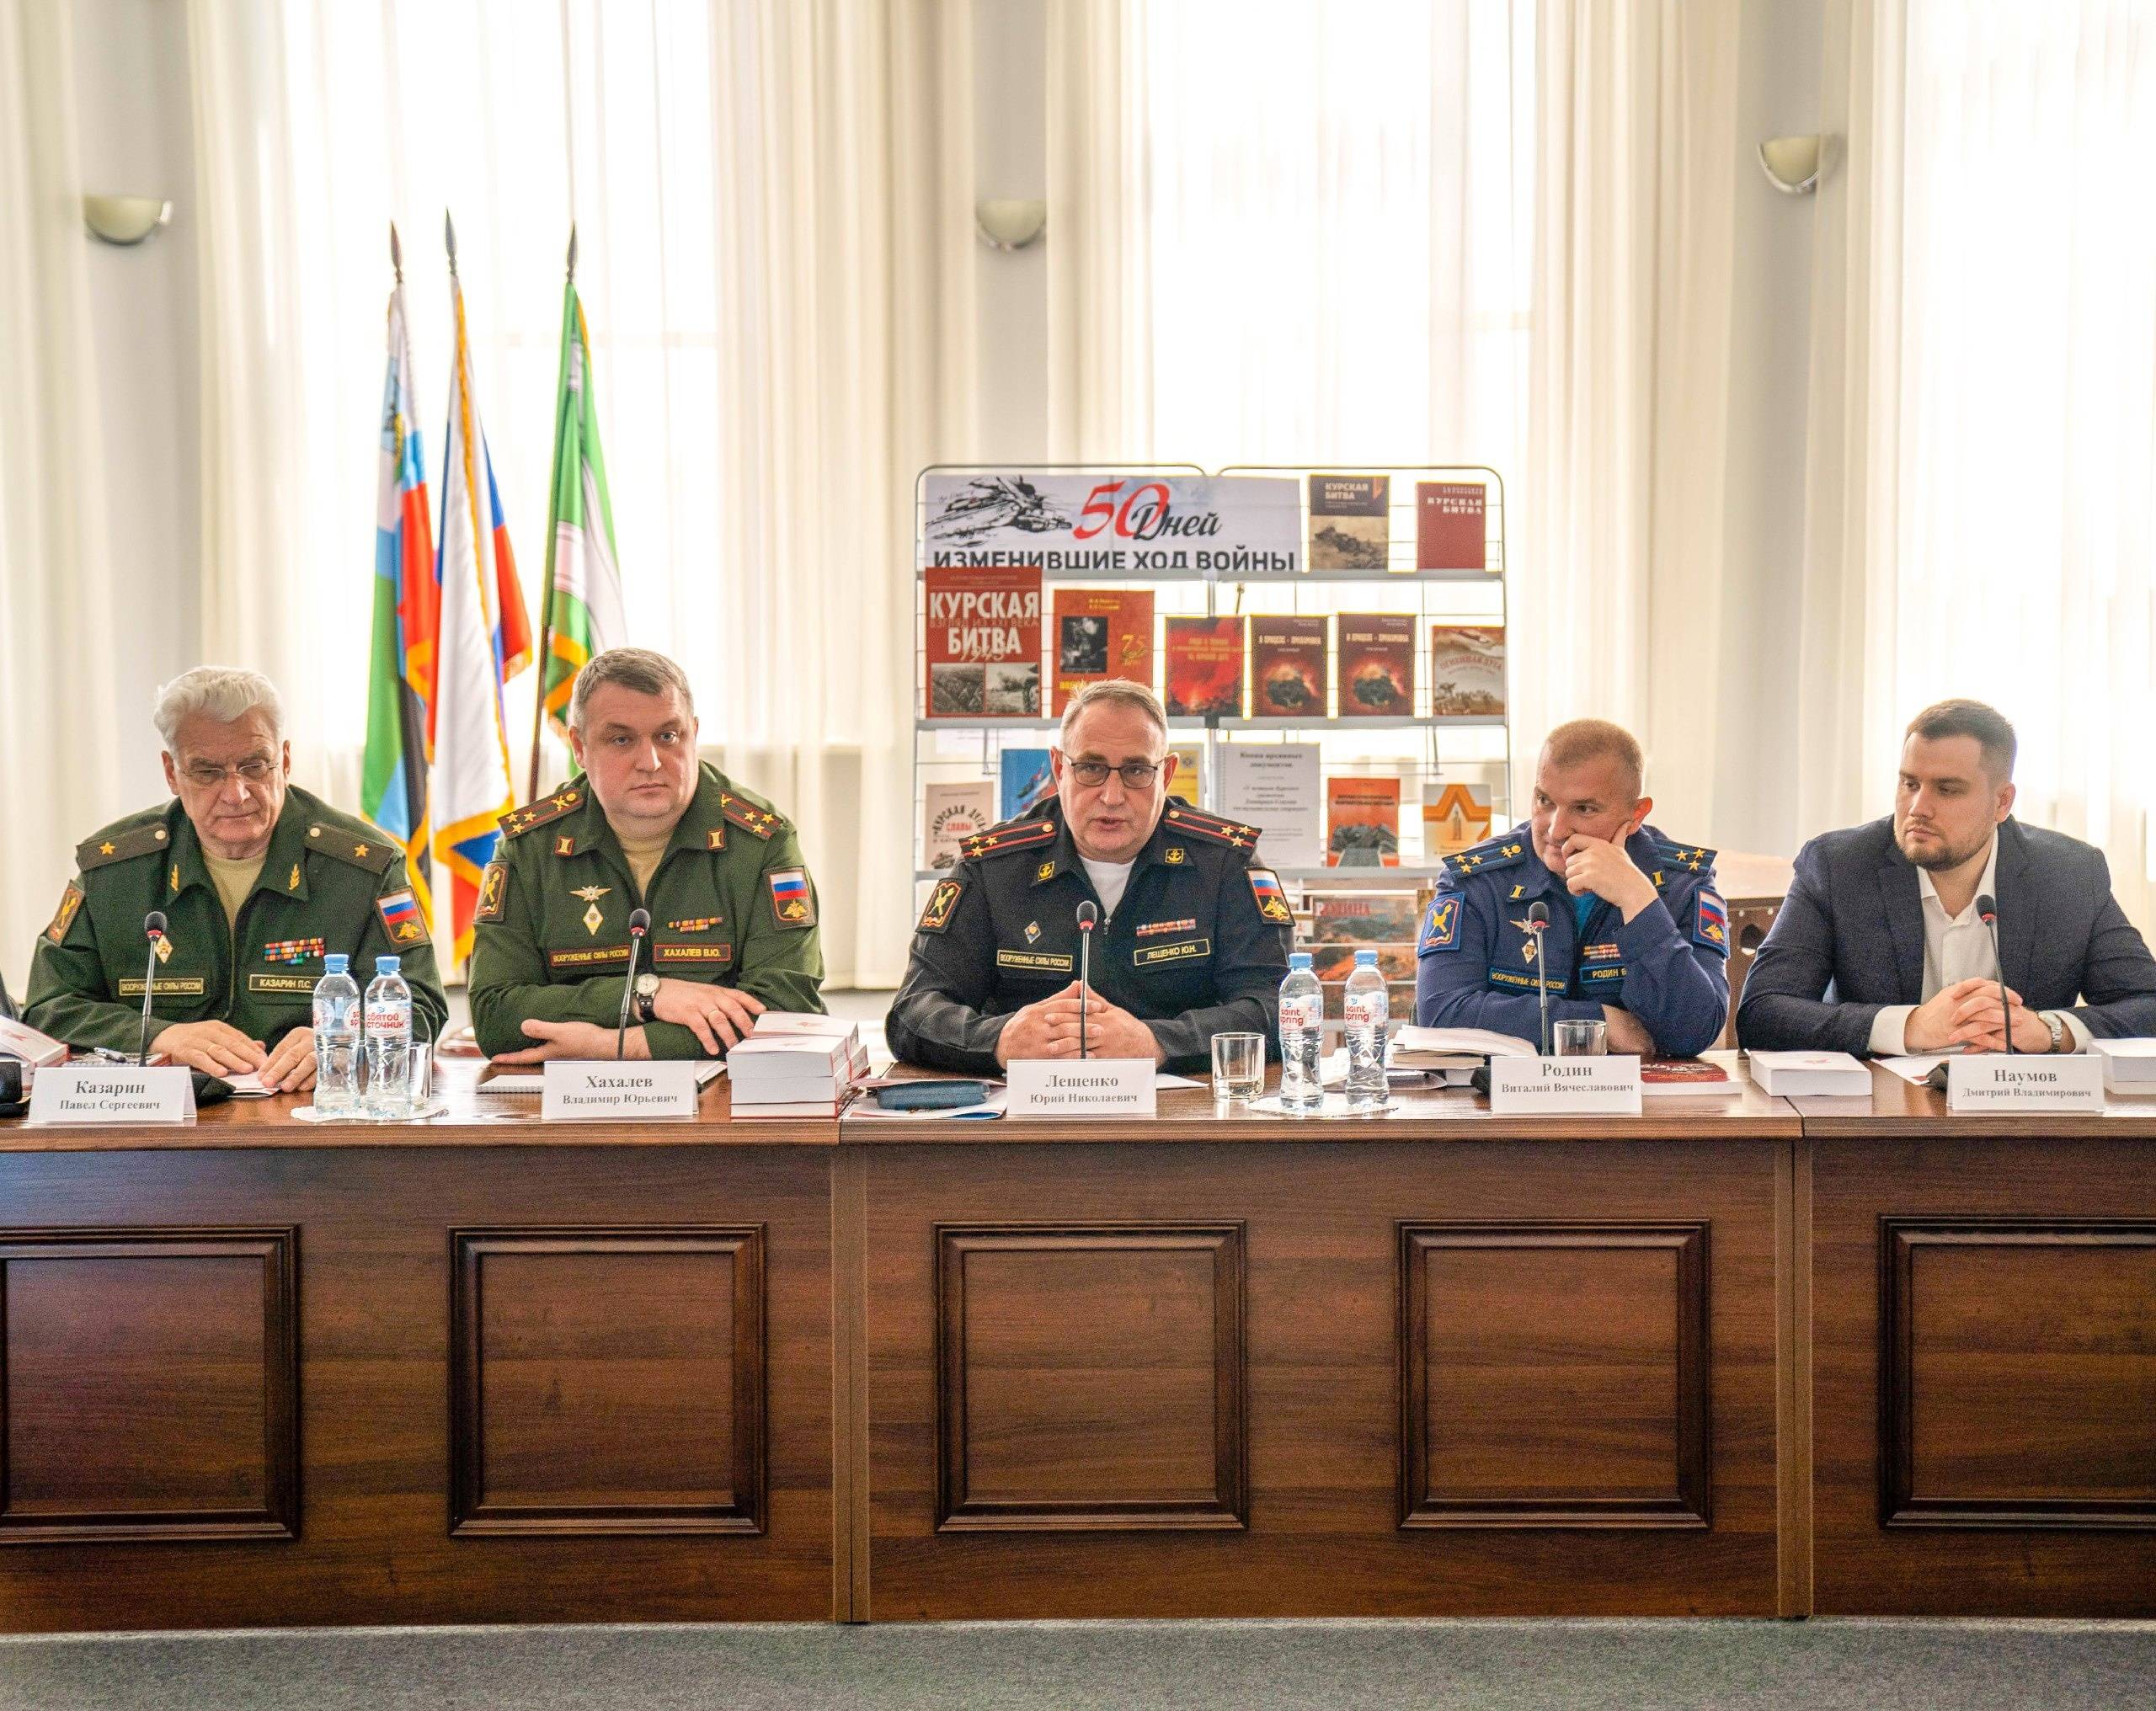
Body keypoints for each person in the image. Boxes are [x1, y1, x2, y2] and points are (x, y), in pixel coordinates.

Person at [24, 667, 448, 1087]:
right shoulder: (116, 872)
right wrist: (156, 1036)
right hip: (158, 1113)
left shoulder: (362, 867)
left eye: (254, 766)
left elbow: (421, 1002)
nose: (236, 793)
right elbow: (49, 1007)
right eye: (207, 772)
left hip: (311, 1109)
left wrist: (345, 1040)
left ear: (284, 760)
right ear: (172, 773)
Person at [886, 680, 1293, 1074]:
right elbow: (912, 1011)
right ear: (1059, 768)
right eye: (1091, 768)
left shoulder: (1224, 862)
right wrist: (998, 1040)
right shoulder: (992, 867)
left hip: (1186, 1111)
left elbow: (1280, 1006)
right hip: (1030, 1110)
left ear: (1166, 775)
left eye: (1136, 770)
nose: (1112, 796)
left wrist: (1160, 1043)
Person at [1737, 699, 2156, 1055]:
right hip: (1880, 1115)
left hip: (2021, 1113)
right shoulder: (1838, 865)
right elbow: (1762, 1012)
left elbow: (2147, 1004)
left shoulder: (2068, 874)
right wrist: (1909, 1027)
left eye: (1948, 789)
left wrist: (2050, 1032)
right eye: (1910, 783)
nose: (1918, 807)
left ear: (2002, 802)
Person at [467, 648, 825, 1061]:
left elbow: (788, 1013)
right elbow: (495, 1016)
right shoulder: (530, 848)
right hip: (568, 1096)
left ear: (693, 734)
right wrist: (645, 995)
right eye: (621, 740)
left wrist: (619, 1046)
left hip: (723, 1094)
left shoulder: (761, 841)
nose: (650, 762)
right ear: (579, 747)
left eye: (668, 736)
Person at [1415, 718, 1729, 1058]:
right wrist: (1597, 1023)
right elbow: (1441, 1011)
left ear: (1636, 815)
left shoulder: (1683, 882)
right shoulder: (1478, 880)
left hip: (1637, 1091)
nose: (1556, 829)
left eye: (1584, 808)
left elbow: (1695, 1031)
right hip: (1502, 1088)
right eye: (1545, 801)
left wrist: (1638, 900)